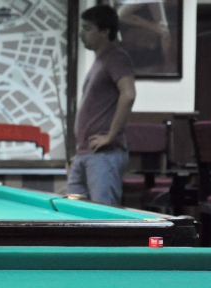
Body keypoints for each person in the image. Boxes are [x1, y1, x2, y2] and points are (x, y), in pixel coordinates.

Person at [67, 5, 136, 206]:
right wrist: (78, 152)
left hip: (104, 155)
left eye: (87, 28)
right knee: (73, 212)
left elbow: (129, 94)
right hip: (86, 154)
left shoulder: (116, 57)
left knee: (104, 216)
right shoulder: (100, 61)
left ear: (105, 31)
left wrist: (110, 135)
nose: (82, 34)